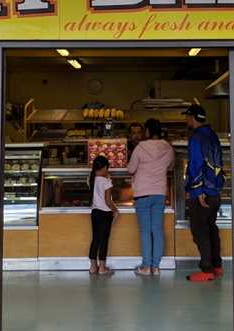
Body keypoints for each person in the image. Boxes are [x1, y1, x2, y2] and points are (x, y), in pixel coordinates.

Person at [182, 104, 225, 282]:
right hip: (215, 190)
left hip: (202, 193)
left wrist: (197, 189)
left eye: (187, 117)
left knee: (200, 231)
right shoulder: (213, 135)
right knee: (211, 228)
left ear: (192, 117)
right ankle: (217, 266)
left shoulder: (196, 137)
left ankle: (206, 270)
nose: (186, 120)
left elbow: (196, 165)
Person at [128, 118, 174, 276]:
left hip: (143, 193)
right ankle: (156, 267)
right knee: (158, 230)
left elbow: (131, 168)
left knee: (145, 231)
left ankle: (146, 267)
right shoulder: (167, 147)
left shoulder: (141, 147)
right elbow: (171, 166)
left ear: (147, 131)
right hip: (160, 193)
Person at [88, 155, 118, 276]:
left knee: (95, 239)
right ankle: (102, 268)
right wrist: (116, 210)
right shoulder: (106, 181)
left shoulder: (91, 179)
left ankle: (93, 267)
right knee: (104, 240)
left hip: (95, 212)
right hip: (105, 213)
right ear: (105, 167)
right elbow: (108, 201)